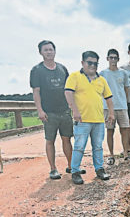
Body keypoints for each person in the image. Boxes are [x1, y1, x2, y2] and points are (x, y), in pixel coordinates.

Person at [30, 40, 84, 179]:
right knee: (50, 140)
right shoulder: (37, 70)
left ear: (55, 51)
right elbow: (36, 92)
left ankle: (71, 166)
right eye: (46, 50)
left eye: (51, 49)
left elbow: (69, 90)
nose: (49, 52)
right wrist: (40, 110)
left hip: (64, 111)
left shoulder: (62, 69)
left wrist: (73, 107)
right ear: (40, 52)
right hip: (49, 112)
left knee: (67, 139)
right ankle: (53, 169)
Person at [64, 51, 115, 185]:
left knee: (98, 147)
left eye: (95, 63)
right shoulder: (74, 76)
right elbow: (68, 93)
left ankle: (99, 169)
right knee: (79, 146)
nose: (93, 66)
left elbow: (109, 98)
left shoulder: (101, 80)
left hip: (98, 120)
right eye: (89, 63)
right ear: (83, 63)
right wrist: (74, 110)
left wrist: (111, 113)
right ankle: (75, 171)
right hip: (82, 120)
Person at [100, 49, 130, 165]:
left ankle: (126, 153)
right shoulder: (103, 74)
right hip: (108, 108)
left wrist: (123, 100)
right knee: (110, 130)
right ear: (107, 59)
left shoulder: (123, 73)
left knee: (125, 130)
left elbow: (126, 89)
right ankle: (111, 155)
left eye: (115, 58)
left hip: (122, 106)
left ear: (118, 59)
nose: (113, 60)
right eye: (111, 57)